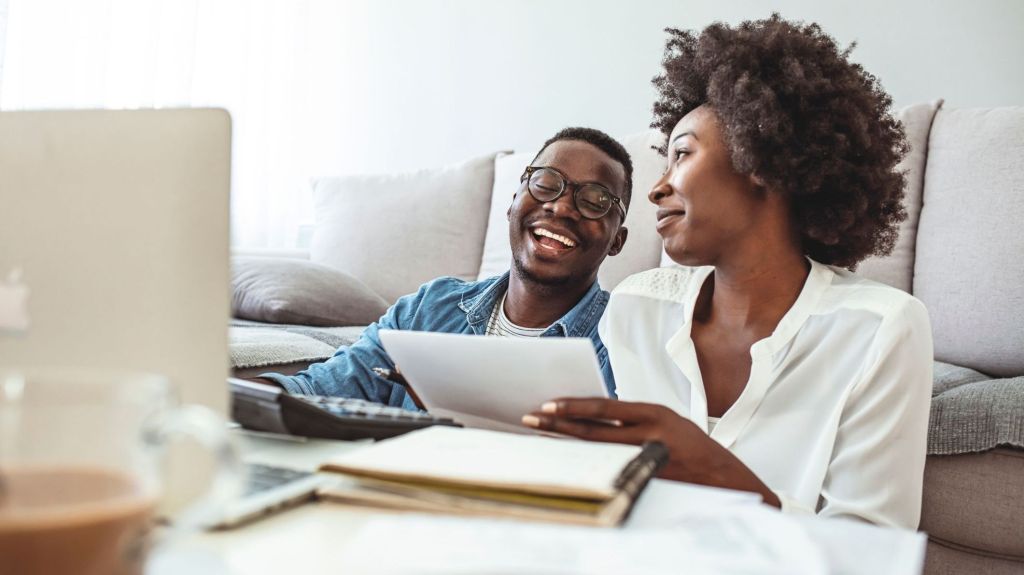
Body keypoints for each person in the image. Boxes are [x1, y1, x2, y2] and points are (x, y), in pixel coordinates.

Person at [524, 15, 933, 529]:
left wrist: (718, 471)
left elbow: (873, 554)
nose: (657, 188)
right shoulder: (637, 308)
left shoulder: (880, 328)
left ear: (757, 158)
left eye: (681, 155)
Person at [257, 127, 632, 409]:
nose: (562, 207)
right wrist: (221, 400)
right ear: (513, 201)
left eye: (595, 200)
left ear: (617, 240)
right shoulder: (428, 308)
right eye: (547, 183)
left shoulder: (626, 339)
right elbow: (317, 390)